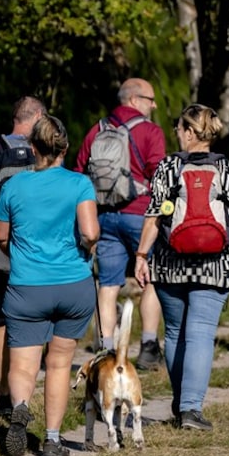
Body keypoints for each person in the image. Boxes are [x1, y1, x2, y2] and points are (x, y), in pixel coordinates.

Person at [134, 103, 229, 431]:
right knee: (200, 333)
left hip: (171, 263)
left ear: (189, 132)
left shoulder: (168, 167)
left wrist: (142, 256)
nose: (177, 135)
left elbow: (154, 218)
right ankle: (190, 409)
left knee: (174, 333)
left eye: (179, 130)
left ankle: (180, 401)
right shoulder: (227, 168)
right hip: (214, 265)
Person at [0, 115, 100, 456]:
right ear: (64, 148)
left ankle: (21, 406)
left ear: (32, 148)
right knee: (58, 365)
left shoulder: (13, 186)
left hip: (27, 287)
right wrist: (84, 249)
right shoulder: (79, 183)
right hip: (73, 285)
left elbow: (0, 237)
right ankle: (52, 440)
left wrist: (24, 256)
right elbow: (90, 232)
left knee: (24, 365)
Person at [75, 78, 166, 370]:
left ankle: (107, 347)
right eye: (150, 99)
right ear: (134, 99)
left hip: (104, 216)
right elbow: (159, 175)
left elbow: (79, 172)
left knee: (108, 283)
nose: (154, 105)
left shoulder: (96, 130)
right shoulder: (151, 132)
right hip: (141, 215)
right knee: (151, 278)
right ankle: (149, 346)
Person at [0, 95, 46, 419]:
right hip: (34, 251)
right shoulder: (42, 152)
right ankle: (24, 399)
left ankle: (4, 395)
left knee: (2, 322)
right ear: (38, 118)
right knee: (32, 323)